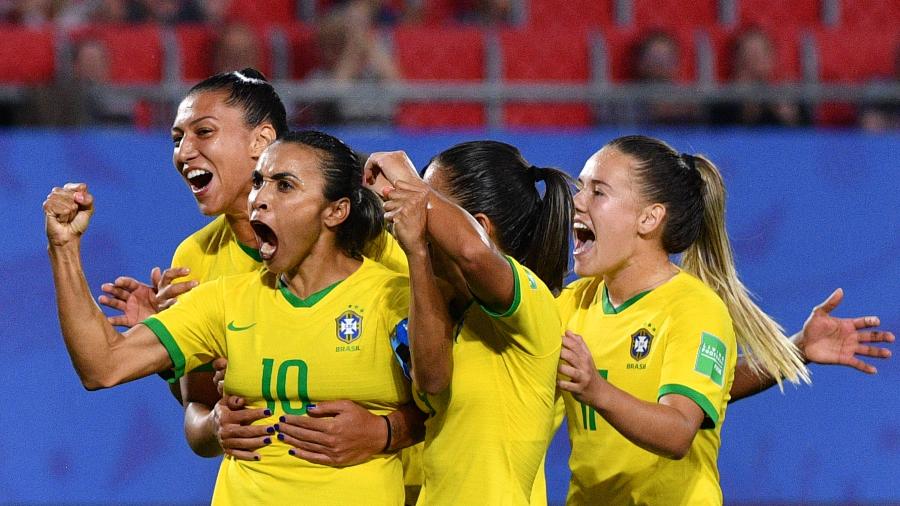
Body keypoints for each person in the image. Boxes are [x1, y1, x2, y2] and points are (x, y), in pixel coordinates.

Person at [44, 130, 422, 504]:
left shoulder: (394, 297)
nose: (259, 199)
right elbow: (102, 365)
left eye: (285, 186)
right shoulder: (226, 299)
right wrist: (64, 247)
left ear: (336, 211)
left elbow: (459, 404)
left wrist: (386, 431)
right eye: (259, 182)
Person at [96, 69, 421, 476]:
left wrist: (384, 432)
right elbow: (199, 413)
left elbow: (447, 376)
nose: (184, 152)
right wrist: (176, 363)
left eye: (204, 132)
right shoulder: (193, 257)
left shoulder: (363, 233)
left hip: (398, 484)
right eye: (177, 139)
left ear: (262, 141)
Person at [554, 135, 894, 505]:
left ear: (649, 218)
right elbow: (700, 386)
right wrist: (794, 350)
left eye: (598, 192)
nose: (577, 201)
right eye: (580, 187)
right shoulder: (573, 303)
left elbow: (679, 430)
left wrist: (597, 392)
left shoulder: (695, 308)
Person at [363, 140, 573, 505]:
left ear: (479, 227)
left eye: (431, 204)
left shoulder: (533, 304)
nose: (417, 213)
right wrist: (416, 253)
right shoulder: (445, 306)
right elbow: (431, 379)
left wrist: (415, 188)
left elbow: (473, 254)